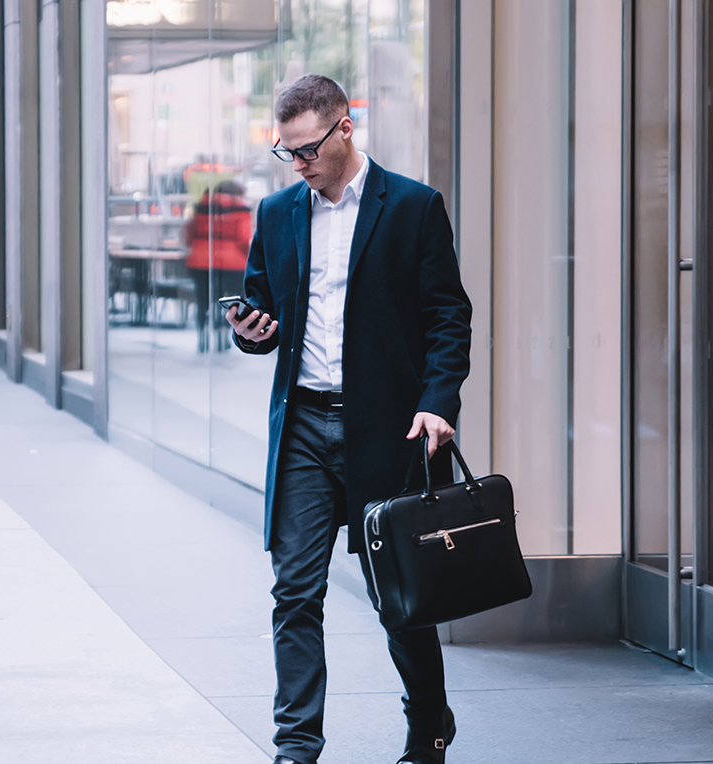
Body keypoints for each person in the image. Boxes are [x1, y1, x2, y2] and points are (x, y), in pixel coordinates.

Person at [227, 74, 472, 764]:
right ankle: (296, 746)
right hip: (302, 425)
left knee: (398, 597)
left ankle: (427, 722)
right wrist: (250, 330)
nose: (298, 164)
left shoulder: (414, 207)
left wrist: (437, 402)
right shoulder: (277, 213)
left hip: (385, 429)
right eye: (286, 152)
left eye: (306, 149)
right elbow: (260, 309)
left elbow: (447, 317)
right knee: (294, 591)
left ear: (345, 127)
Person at [185, 179, 252, 352]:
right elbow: (244, 239)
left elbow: (188, 235)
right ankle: (224, 338)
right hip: (233, 263)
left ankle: (202, 338)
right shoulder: (241, 209)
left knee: (203, 301)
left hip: (200, 262)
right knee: (231, 303)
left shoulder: (200, 207)